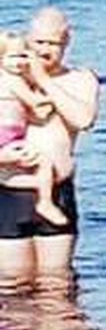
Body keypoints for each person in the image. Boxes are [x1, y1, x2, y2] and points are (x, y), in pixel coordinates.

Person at [0, 8, 101, 289]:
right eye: (38, 42)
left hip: (58, 193)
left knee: (56, 287)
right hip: (10, 193)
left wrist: (43, 80)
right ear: (27, 41)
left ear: (66, 43)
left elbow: (83, 119)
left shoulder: (80, 79)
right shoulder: (7, 80)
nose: (44, 50)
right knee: (12, 289)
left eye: (53, 43)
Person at [0, 31, 68, 228]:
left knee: (10, 178)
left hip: (10, 134)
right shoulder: (12, 81)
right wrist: (52, 98)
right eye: (13, 57)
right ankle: (45, 203)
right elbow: (34, 102)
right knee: (45, 162)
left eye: (24, 55)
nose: (20, 62)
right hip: (8, 135)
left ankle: (39, 188)